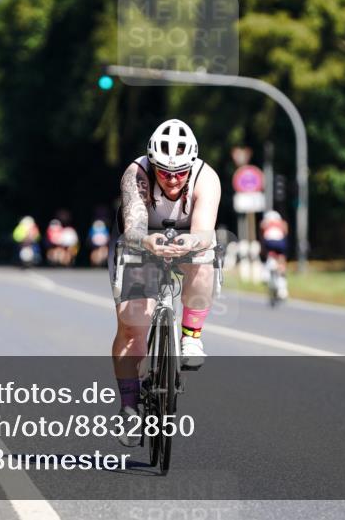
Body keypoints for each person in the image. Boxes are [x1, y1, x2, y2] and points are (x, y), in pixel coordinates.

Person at [109, 119, 221, 446]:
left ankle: (191, 336)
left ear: (191, 166)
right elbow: (134, 226)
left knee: (205, 255)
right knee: (132, 327)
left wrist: (189, 244)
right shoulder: (136, 174)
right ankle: (129, 407)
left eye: (180, 173)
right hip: (138, 241)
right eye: (164, 172)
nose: (172, 180)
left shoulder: (207, 178)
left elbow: (203, 230)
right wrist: (148, 243)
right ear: (152, 164)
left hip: (188, 239)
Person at [260, 210, 289, 299]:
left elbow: (262, 233)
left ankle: (266, 273)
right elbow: (285, 232)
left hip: (269, 241)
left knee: (269, 253)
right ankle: (282, 284)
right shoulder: (281, 222)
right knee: (281, 258)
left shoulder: (265, 222)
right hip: (280, 242)